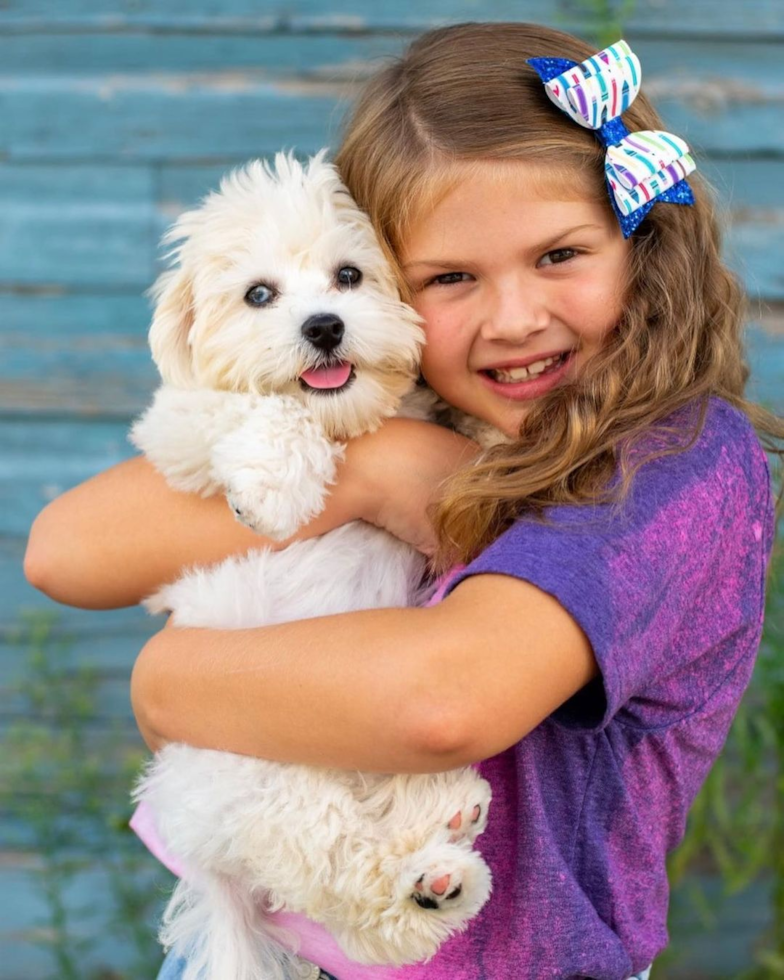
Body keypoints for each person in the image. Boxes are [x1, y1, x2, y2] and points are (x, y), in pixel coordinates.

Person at [24, 21, 783, 980]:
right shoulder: (378, 423)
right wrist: (381, 465)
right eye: (451, 279)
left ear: (643, 244)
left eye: (559, 255)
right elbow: (66, 550)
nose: (515, 318)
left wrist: (166, 683)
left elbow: (442, 704)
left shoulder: (673, 462)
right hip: (268, 947)